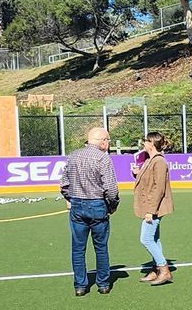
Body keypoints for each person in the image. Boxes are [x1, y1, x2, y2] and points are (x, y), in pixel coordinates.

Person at [61, 126, 121, 296]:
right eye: (108, 140)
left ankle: (80, 286)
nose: (108, 143)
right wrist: (113, 205)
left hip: (77, 206)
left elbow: (64, 184)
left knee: (78, 249)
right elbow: (111, 189)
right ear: (102, 141)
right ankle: (103, 284)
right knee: (101, 247)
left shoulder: (73, 156)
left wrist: (70, 198)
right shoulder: (103, 158)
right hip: (97, 205)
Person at [133, 130, 175, 285]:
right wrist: (137, 173)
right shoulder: (150, 160)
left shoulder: (159, 161)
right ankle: (156, 269)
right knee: (154, 239)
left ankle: (164, 270)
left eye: (145, 140)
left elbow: (159, 188)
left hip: (155, 208)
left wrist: (151, 211)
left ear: (151, 143)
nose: (143, 143)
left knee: (146, 239)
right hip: (151, 206)